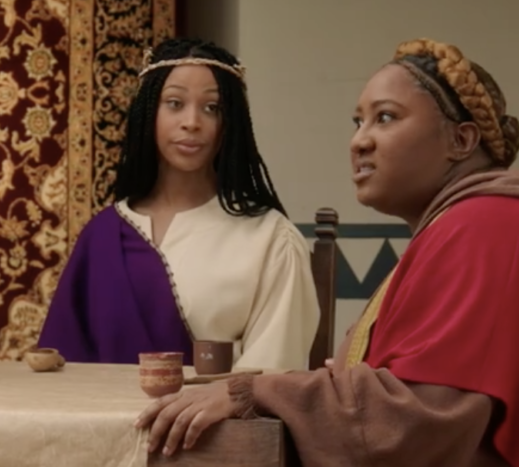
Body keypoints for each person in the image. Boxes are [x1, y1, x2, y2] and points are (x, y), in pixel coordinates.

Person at [135, 38, 519, 467]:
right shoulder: (474, 224)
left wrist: (256, 391)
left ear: (461, 139)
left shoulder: (490, 227)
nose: (360, 142)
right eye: (356, 123)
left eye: (385, 118)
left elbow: (421, 418)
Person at [38, 38, 320, 372]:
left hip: (212, 422)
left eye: (212, 108)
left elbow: (274, 374)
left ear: (230, 124)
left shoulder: (271, 238)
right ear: (148, 114)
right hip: (98, 423)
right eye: (174, 103)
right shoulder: (101, 235)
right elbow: (61, 365)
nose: (192, 122)